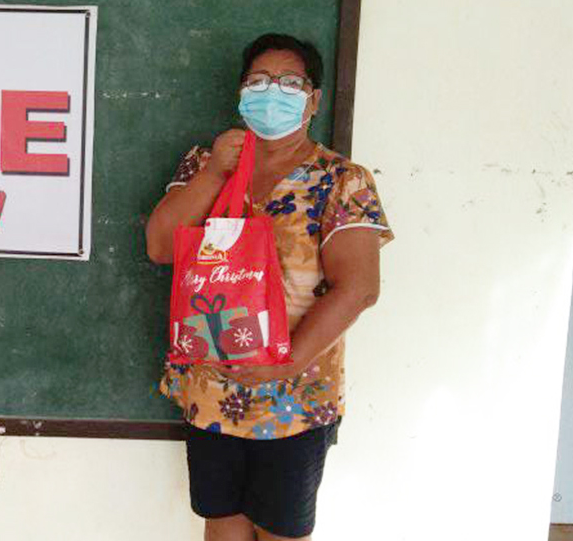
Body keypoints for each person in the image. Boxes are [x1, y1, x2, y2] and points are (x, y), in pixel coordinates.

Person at [145, 33, 393, 541]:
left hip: (294, 399)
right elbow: (161, 247)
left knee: (281, 529)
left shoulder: (342, 179)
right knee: (222, 522)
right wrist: (217, 171)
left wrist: (283, 363)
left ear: (313, 98)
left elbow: (360, 288)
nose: (271, 91)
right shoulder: (203, 163)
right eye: (258, 80)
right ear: (240, 93)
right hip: (211, 389)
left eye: (289, 82)